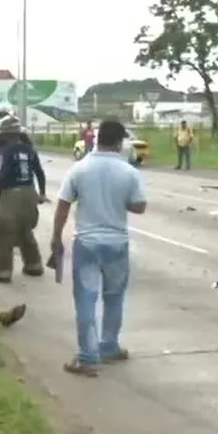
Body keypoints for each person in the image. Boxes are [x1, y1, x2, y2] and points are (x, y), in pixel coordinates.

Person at [51, 120, 147, 377]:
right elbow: (139, 206)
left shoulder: (79, 169)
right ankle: (109, 345)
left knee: (86, 298)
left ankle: (86, 356)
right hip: (117, 242)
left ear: (95, 139)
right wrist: (117, 199)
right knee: (114, 297)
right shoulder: (129, 172)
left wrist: (56, 237)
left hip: (87, 242)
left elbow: (63, 205)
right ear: (119, 143)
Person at [0, 116, 46, 282]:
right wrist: (42, 193)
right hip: (29, 193)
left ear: (5, 135)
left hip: (12, 195)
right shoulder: (29, 149)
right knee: (24, 229)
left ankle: (2, 271)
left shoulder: (6, 151)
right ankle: (33, 264)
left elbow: (2, 176)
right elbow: (39, 173)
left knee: (2, 231)